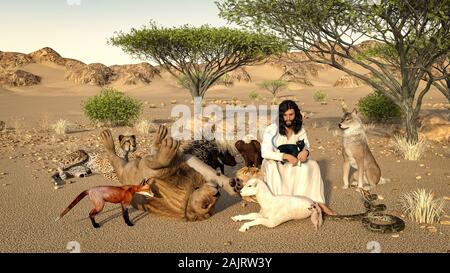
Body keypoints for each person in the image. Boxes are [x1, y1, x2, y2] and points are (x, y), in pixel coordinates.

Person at [261, 100, 336, 215]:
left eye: (291, 114)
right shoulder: (271, 130)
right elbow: (265, 153)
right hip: (275, 162)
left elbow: (306, 145)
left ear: (296, 114)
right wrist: (285, 156)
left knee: (313, 165)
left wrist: (305, 151)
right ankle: (282, 205)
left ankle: (316, 202)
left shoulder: (300, 129)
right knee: (272, 167)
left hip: (294, 161)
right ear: (281, 116)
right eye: (285, 115)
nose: (288, 118)